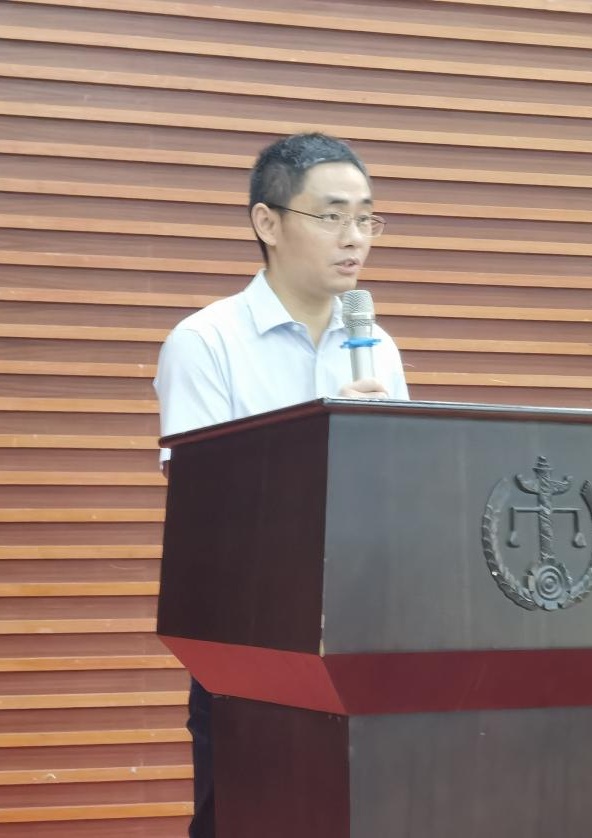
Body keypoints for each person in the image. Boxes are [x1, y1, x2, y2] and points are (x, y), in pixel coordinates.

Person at [153, 132, 409, 838]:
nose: (354, 238)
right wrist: (328, 439)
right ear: (267, 222)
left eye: (367, 218)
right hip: (251, 649)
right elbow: (208, 504)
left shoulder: (377, 346)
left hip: (365, 638)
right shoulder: (206, 342)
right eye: (331, 216)